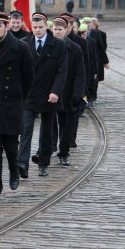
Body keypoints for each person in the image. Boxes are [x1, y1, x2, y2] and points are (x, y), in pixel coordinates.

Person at [0, 13, 33, 202]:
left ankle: (13, 170)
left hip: (12, 104)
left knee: (10, 146)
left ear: (6, 26)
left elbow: (28, 78)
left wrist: (19, 100)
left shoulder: (21, 48)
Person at [20, 13, 67, 177]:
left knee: (47, 131)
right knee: (25, 129)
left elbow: (62, 72)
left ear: (46, 26)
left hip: (49, 94)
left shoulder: (58, 45)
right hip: (29, 94)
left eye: (40, 27)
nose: (37, 30)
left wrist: (55, 91)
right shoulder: (24, 43)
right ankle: (22, 163)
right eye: (34, 27)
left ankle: (43, 162)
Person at [51, 16, 85, 167]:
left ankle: (63, 152)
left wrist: (78, 94)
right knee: (50, 125)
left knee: (67, 126)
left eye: (60, 30)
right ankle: (47, 149)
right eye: (55, 29)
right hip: (51, 93)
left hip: (69, 93)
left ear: (66, 30)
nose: (57, 32)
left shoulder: (75, 48)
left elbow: (80, 73)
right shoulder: (48, 46)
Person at [86, 17, 108, 107]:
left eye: (89, 23)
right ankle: (87, 98)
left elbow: (102, 48)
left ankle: (92, 98)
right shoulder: (81, 33)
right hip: (87, 60)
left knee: (95, 80)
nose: (88, 25)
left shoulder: (99, 33)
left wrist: (105, 61)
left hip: (96, 60)